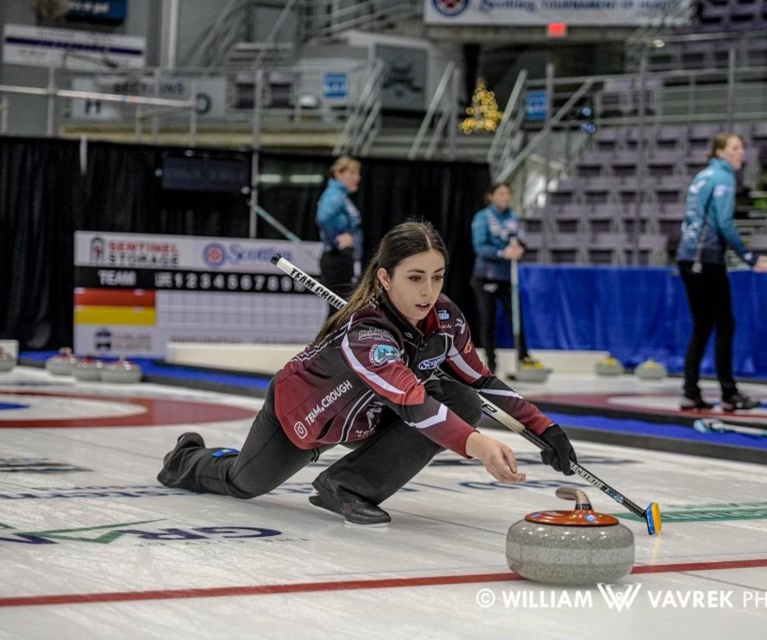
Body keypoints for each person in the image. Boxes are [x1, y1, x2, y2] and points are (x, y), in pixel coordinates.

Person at [157, 221, 577, 526]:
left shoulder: (445, 318)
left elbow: (481, 382)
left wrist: (547, 429)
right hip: (304, 417)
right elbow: (412, 403)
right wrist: (479, 445)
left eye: (436, 277)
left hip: (369, 417)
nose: (428, 292)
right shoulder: (367, 331)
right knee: (243, 482)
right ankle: (186, 456)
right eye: (414, 278)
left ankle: (346, 486)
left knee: (463, 399)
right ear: (385, 277)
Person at [675, 133, 767, 413]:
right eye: (735, 148)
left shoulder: (702, 176)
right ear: (720, 152)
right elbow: (724, 224)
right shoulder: (724, 177)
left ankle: (690, 392)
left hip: (688, 258)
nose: (741, 153)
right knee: (724, 324)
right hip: (705, 259)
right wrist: (750, 257)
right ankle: (729, 393)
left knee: (703, 325)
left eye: (741, 148)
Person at [470, 182, 540, 375]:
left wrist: (520, 248)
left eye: (508, 194)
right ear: (491, 196)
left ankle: (524, 359)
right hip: (486, 277)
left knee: (516, 318)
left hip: (508, 277)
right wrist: (502, 252)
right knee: (488, 320)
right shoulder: (482, 217)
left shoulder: (513, 218)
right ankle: (491, 365)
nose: (506, 197)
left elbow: (520, 239)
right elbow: (480, 247)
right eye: (501, 193)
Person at [316, 155, 363, 317]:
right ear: (338, 174)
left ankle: (331, 342)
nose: (357, 177)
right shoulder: (334, 195)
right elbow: (323, 217)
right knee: (339, 308)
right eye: (353, 173)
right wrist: (336, 241)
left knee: (341, 308)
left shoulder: (341, 196)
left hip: (341, 258)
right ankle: (328, 342)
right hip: (337, 258)